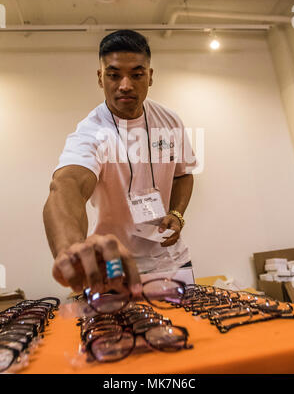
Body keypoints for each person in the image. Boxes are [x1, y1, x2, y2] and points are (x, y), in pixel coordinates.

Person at [43, 30, 196, 298]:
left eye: (137, 74)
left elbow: (183, 175)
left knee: (189, 334)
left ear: (150, 76)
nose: (125, 85)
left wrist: (177, 213)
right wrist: (71, 250)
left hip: (173, 259)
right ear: (100, 78)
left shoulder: (170, 120)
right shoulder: (91, 132)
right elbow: (66, 186)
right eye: (114, 75)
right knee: (122, 339)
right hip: (116, 267)